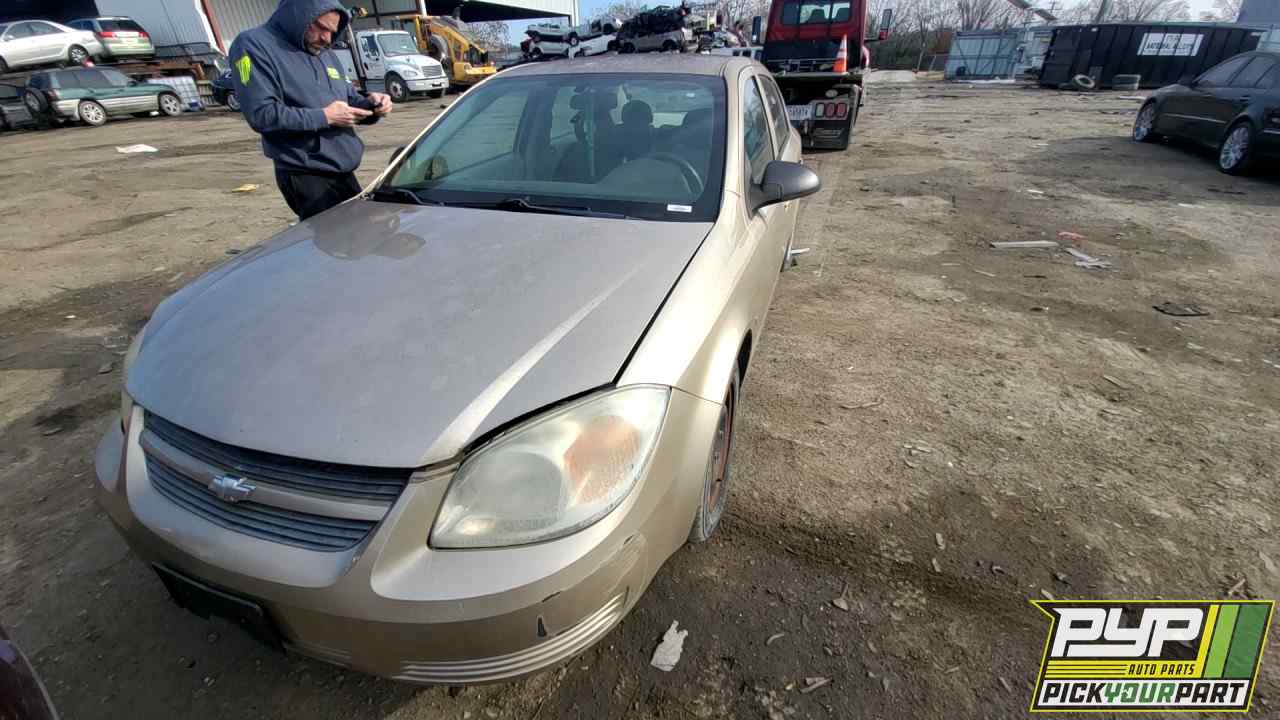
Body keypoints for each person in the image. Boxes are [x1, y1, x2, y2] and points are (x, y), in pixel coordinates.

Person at [229, 0, 393, 220]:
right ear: (298, 17)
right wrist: (325, 117)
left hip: (342, 170)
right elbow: (261, 114)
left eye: (332, 31)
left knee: (360, 234)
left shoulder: (323, 51)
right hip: (306, 174)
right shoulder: (251, 47)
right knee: (333, 238)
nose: (327, 38)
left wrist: (372, 104)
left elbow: (348, 99)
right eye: (322, 28)